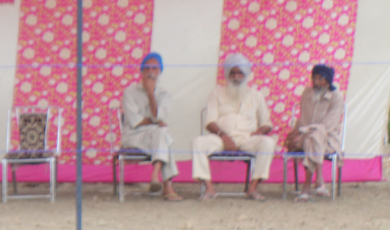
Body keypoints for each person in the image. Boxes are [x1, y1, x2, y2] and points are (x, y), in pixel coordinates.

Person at [191, 52, 275, 200]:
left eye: (240, 73)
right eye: (233, 73)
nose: (236, 77)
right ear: (227, 74)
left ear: (246, 74)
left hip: (247, 139)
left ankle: (252, 188)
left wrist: (260, 132)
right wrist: (224, 136)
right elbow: (210, 122)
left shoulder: (256, 95)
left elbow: (267, 123)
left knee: (268, 143)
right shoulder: (217, 92)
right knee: (197, 142)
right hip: (221, 139)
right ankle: (209, 188)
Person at [120, 52, 181, 201]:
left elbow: (157, 116)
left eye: (154, 68)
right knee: (163, 135)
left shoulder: (164, 93)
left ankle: (155, 176)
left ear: (159, 72)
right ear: (141, 71)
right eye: (147, 68)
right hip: (134, 136)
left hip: (154, 137)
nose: (150, 72)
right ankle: (167, 186)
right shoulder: (129, 91)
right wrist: (156, 122)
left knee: (162, 133)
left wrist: (150, 93)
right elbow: (135, 121)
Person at [285, 64, 344, 202]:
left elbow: (328, 125)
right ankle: (319, 180)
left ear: (328, 81)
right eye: (314, 78)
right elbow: (303, 118)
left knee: (313, 137)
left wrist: (301, 131)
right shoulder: (307, 93)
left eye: (320, 79)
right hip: (305, 137)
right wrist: (294, 133)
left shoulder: (336, 96)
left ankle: (307, 187)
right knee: (312, 138)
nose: (316, 82)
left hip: (329, 139)